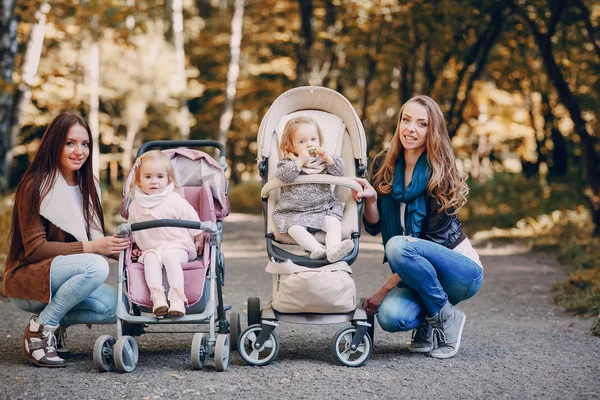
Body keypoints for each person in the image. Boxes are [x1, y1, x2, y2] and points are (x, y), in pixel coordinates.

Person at [352, 95, 484, 359]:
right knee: (391, 317)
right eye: (406, 120)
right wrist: (372, 200)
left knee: (398, 247)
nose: (410, 128)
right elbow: (374, 226)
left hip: (460, 271)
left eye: (421, 124)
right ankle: (428, 323)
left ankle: (446, 317)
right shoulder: (383, 163)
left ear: (432, 131)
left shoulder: (441, 172)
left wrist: (383, 289)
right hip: (417, 270)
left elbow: (428, 245)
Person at [4, 112, 130, 368]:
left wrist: (130, 251)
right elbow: (36, 250)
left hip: (66, 276)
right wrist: (93, 248)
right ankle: (40, 329)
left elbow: (95, 238)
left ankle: (55, 322)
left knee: (116, 306)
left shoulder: (89, 185)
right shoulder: (35, 186)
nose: (79, 151)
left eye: (85, 144)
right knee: (95, 266)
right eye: (70, 143)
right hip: (29, 279)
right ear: (54, 144)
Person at [127, 150, 205, 317]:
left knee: (170, 256)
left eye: (159, 177)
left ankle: (177, 298)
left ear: (168, 179)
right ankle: (158, 298)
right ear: (139, 181)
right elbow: (132, 228)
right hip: (152, 248)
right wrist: (134, 245)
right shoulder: (135, 205)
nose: (154, 181)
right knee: (150, 259)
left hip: (178, 246)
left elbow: (194, 220)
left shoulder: (174, 200)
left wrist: (198, 239)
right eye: (148, 177)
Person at [273, 116, 354, 263]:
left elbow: (340, 171)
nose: (309, 144)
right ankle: (316, 249)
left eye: (313, 139)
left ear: (320, 141)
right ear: (290, 146)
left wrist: (329, 159)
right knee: (294, 229)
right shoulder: (288, 162)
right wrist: (300, 161)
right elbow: (284, 176)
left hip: (322, 208)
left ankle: (333, 249)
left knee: (333, 222)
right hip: (295, 212)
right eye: (301, 141)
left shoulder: (324, 160)